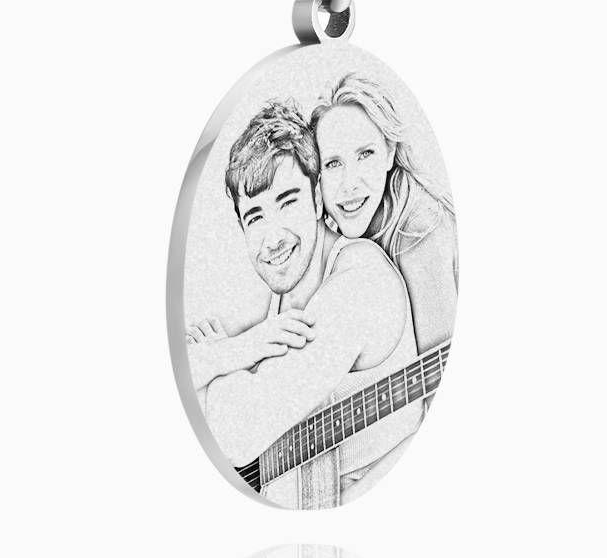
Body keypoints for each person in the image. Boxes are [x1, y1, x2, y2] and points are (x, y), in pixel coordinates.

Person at [188, 99, 422, 508]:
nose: (273, 237)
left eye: (287, 202)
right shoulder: (286, 291)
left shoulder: (360, 287)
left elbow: (232, 434)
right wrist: (237, 350)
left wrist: (217, 367)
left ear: (317, 199)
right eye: (255, 216)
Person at [310, 74, 458, 356]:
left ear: (390, 152)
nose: (349, 184)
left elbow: (438, 369)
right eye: (333, 163)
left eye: (365, 154)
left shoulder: (418, 229)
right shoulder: (340, 238)